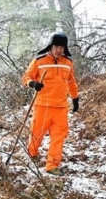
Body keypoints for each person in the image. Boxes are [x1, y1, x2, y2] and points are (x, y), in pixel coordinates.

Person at [21, 32, 81, 174]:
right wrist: (33, 84)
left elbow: (72, 82)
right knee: (37, 133)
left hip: (61, 107)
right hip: (43, 105)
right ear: (50, 46)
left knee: (59, 136)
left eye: (61, 47)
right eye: (56, 46)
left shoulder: (68, 62)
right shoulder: (39, 61)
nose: (59, 50)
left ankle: (52, 165)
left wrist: (75, 98)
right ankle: (32, 153)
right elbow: (26, 77)